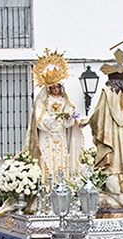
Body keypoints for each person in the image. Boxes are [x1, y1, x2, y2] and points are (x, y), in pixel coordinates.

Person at [88, 49, 123, 208]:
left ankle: (117, 185)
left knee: (113, 158)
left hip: (111, 129)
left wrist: (89, 121)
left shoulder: (107, 91)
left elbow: (98, 111)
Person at [23, 52, 86, 186]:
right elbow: (39, 118)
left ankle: (63, 185)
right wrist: (52, 119)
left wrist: (68, 118)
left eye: (58, 86)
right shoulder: (43, 100)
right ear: (49, 88)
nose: (56, 89)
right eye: (53, 87)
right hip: (47, 135)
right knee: (47, 162)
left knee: (61, 160)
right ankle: (47, 187)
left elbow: (70, 119)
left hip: (61, 134)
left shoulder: (65, 100)